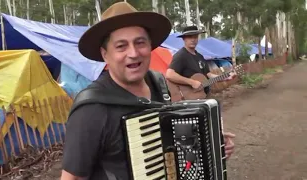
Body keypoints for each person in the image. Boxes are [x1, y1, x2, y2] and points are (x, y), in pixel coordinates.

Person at [61, 2, 234, 180]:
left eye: (140, 43)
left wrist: (211, 145)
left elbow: (173, 147)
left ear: (150, 46)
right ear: (105, 54)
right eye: (121, 46)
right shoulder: (91, 110)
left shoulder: (159, 85)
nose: (134, 53)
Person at [165, 25, 236, 160]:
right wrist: (191, 82)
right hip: (188, 101)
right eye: (189, 37)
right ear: (184, 39)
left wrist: (225, 76)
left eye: (195, 36)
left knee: (213, 120)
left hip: (202, 99)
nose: (193, 39)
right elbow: (169, 74)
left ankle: (215, 152)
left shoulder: (200, 56)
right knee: (195, 134)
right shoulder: (181, 56)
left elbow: (208, 75)